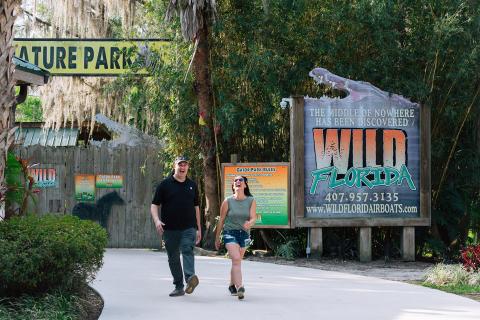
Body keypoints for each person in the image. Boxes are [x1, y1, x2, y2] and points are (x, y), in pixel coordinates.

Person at [150, 156, 201, 297]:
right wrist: (157, 221)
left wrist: (198, 228)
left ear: (188, 167)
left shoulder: (192, 185)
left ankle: (190, 278)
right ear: (175, 166)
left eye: (185, 165)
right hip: (170, 228)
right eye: (180, 165)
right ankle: (179, 286)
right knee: (173, 257)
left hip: (189, 227)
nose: (182, 167)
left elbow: (196, 207)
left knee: (187, 249)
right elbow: (154, 205)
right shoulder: (165, 185)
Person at [215, 175, 256, 300]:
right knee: (236, 259)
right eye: (235, 181)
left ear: (245, 185)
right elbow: (221, 220)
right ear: (233, 186)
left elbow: (253, 217)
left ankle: (231, 285)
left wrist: (250, 223)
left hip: (244, 234)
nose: (238, 182)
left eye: (240, 180)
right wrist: (217, 237)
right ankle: (240, 287)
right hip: (230, 232)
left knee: (236, 262)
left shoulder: (251, 200)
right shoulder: (228, 201)